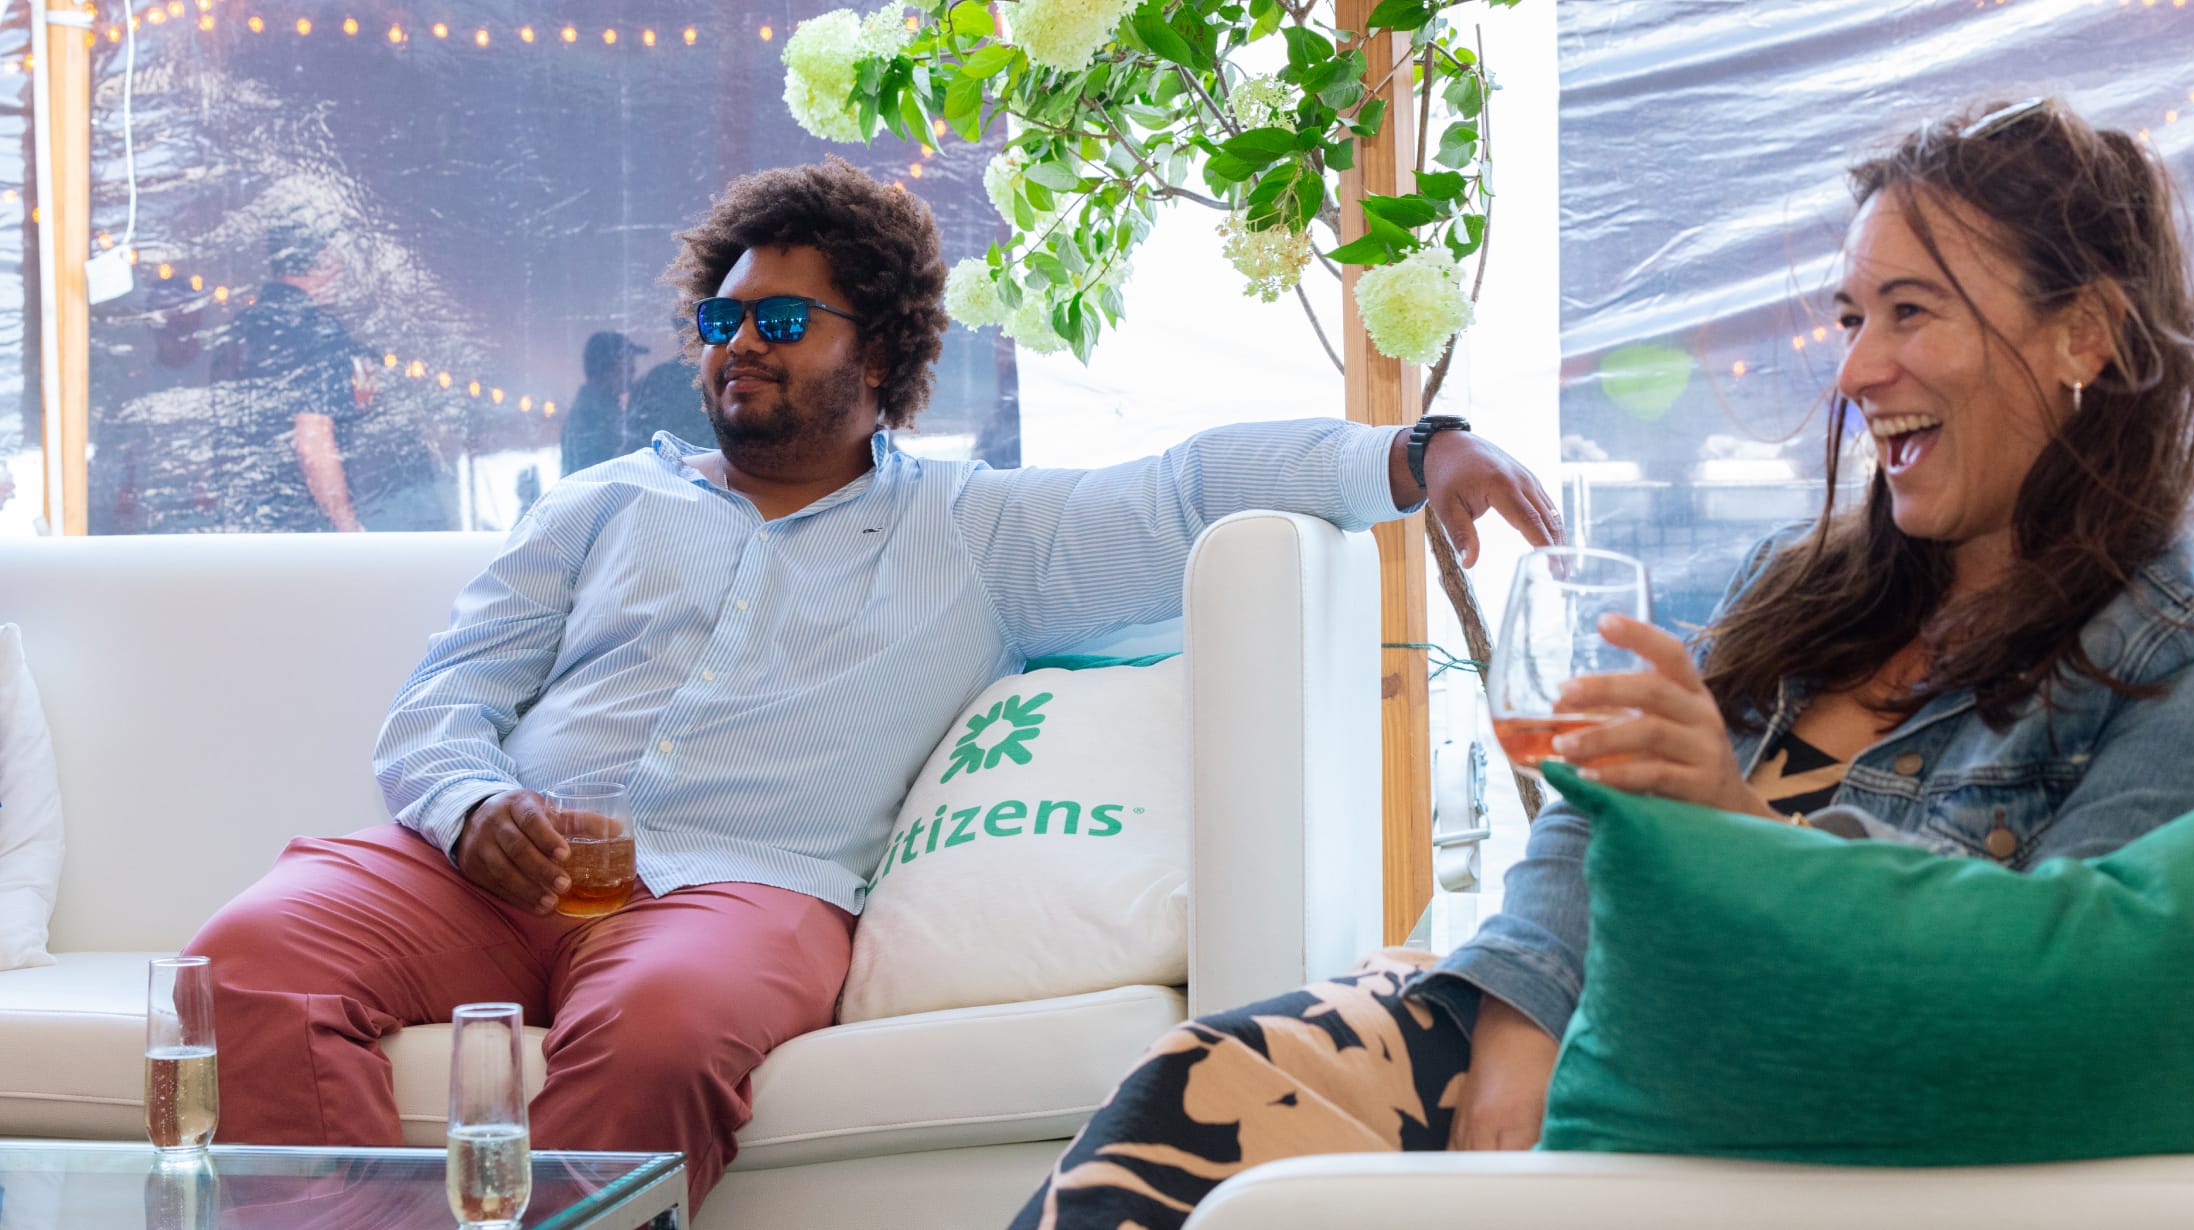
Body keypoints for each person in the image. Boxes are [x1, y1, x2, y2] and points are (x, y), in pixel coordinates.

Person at [1010, 97, 2194, 1229]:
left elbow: (2062, 996)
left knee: (1205, 1126)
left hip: (1735, 1109)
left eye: (1911, 312)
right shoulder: (1805, 587)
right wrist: (1519, 1032)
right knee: (1182, 1090)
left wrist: (1735, 826)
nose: (1858, 371)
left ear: (2086, 334)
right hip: (1563, 1026)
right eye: (1852, 317)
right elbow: (1596, 808)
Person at [179, 156, 1560, 1213]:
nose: (739, 342)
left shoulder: (976, 534)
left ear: (884, 350)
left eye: (782, 317)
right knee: (248, 955)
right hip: (485, 866)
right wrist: (475, 805)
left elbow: (1181, 490)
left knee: (662, 1034)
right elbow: (445, 696)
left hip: (738, 889)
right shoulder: (601, 501)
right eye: (721, 317)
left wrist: (1417, 452)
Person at [208, 223, 371, 532]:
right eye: (334, 259)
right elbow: (312, 440)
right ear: (318, 262)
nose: (341, 270)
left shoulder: (238, 329)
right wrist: (347, 526)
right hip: (300, 528)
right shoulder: (319, 331)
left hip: (237, 522)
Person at [558, 331, 649, 476]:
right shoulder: (590, 417)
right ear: (606, 369)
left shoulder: (599, 409)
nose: (633, 370)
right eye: (628, 364)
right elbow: (597, 474)